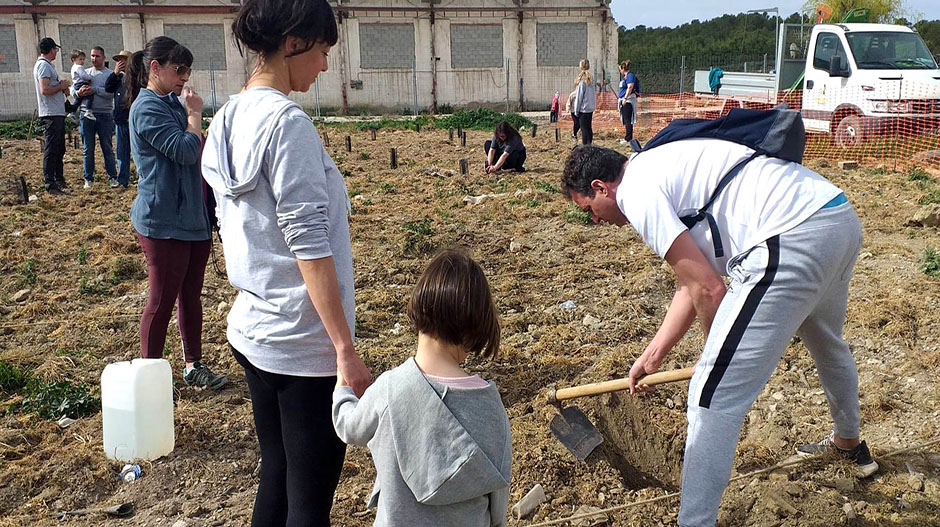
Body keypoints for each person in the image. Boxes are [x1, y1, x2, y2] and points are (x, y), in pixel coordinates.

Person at [560, 141, 877, 527]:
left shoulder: (635, 193)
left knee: (711, 393)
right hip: (834, 217)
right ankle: (848, 444)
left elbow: (710, 289)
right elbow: (691, 281)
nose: (594, 220)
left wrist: (712, 359)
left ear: (600, 187)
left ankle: (694, 521)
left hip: (790, 235)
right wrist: (655, 353)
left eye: (588, 209)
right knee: (828, 342)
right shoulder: (656, 166)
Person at [201, 0, 372, 524]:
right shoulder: (287, 125)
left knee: (276, 472)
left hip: (253, 330)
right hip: (303, 342)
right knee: (311, 499)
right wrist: (344, 350)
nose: (323, 67)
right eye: (322, 52)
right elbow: (308, 244)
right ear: (294, 42)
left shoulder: (226, 119)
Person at [332, 249, 511, 526]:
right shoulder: (490, 404)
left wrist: (342, 388)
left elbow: (348, 426)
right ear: (478, 325)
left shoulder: (390, 390)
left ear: (419, 306)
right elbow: (498, 499)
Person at [126, 37, 228, 391]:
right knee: (161, 299)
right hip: (163, 220)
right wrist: (195, 115)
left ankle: (192, 365)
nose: (185, 76)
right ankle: (150, 378)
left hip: (192, 217)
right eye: (178, 69)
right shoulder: (147, 108)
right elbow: (187, 150)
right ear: (155, 68)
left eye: (188, 70)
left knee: (190, 295)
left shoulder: (172, 102)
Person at [33, 37, 72, 195]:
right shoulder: (43, 66)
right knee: (52, 148)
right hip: (51, 113)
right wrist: (60, 86)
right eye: (55, 49)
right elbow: (45, 90)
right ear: (50, 50)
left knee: (58, 148)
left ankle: (58, 180)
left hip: (56, 112)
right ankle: (50, 183)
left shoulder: (47, 66)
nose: (56, 52)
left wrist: (60, 87)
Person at [76, 46, 118, 189]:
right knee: (88, 148)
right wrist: (79, 93)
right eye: (92, 56)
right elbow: (73, 90)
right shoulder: (85, 73)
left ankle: (112, 177)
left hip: (104, 114)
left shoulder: (110, 75)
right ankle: (88, 178)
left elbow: (110, 93)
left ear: (104, 57)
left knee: (107, 147)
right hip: (86, 115)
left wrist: (94, 90)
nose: (94, 59)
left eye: (97, 56)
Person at [107, 50, 133, 189]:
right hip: (120, 120)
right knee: (122, 152)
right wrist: (115, 73)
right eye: (119, 60)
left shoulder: (135, 78)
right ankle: (123, 180)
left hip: (133, 121)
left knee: (138, 152)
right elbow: (107, 87)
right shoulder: (117, 78)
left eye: (124, 60)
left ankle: (144, 179)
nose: (121, 63)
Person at [572, 59, 595, 145]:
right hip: (590, 108)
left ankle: (586, 146)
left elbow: (579, 97)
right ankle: (590, 144)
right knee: (589, 128)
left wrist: (576, 110)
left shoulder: (582, 81)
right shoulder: (591, 79)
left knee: (584, 128)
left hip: (583, 109)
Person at [69, 49, 96, 121]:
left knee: (78, 100)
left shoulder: (73, 68)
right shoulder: (79, 67)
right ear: (73, 59)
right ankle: (88, 110)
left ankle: (72, 111)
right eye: (80, 59)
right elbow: (83, 75)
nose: (82, 61)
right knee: (90, 95)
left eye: (83, 59)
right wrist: (90, 78)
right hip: (81, 83)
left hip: (76, 84)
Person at [617, 60, 640, 144]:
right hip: (624, 99)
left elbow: (630, 87)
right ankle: (627, 137)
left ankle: (628, 138)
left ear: (623, 68)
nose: (620, 71)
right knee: (626, 119)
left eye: (620, 69)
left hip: (628, 100)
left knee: (628, 120)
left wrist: (625, 98)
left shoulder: (630, 76)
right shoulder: (625, 77)